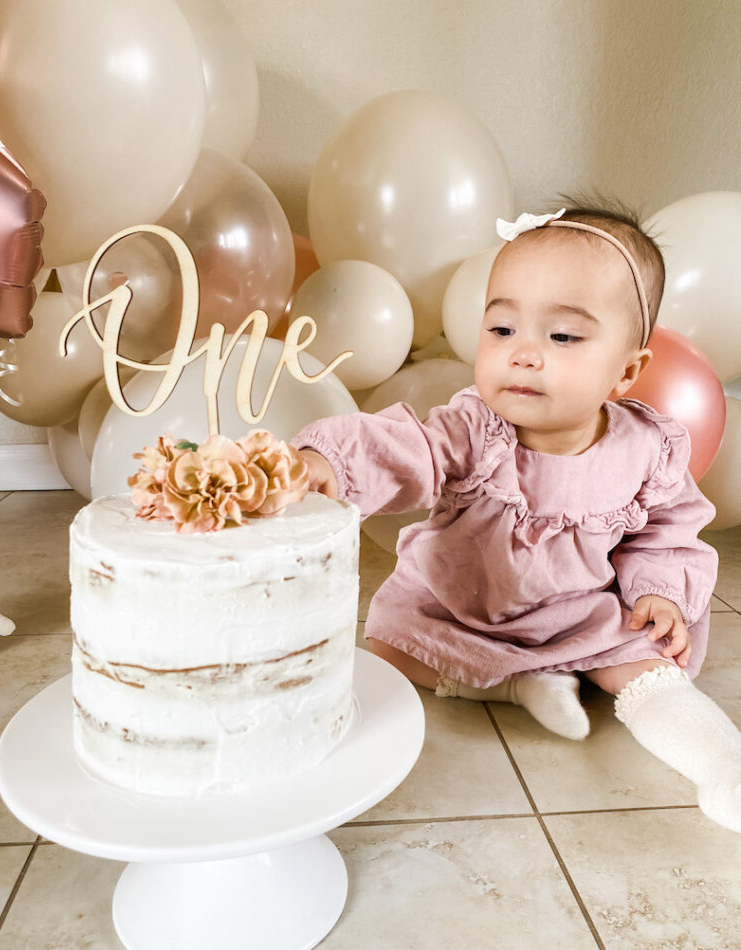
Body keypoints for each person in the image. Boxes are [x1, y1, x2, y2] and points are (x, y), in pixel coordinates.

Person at [292, 198, 741, 833]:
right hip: (458, 601)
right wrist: (329, 464)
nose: (524, 354)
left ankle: (723, 765)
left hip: (576, 608)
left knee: (648, 662)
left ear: (626, 370)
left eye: (562, 336)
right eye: (502, 330)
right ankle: (515, 684)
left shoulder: (648, 447)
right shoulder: (476, 427)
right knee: (389, 651)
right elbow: (405, 447)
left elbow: (668, 532)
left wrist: (660, 593)